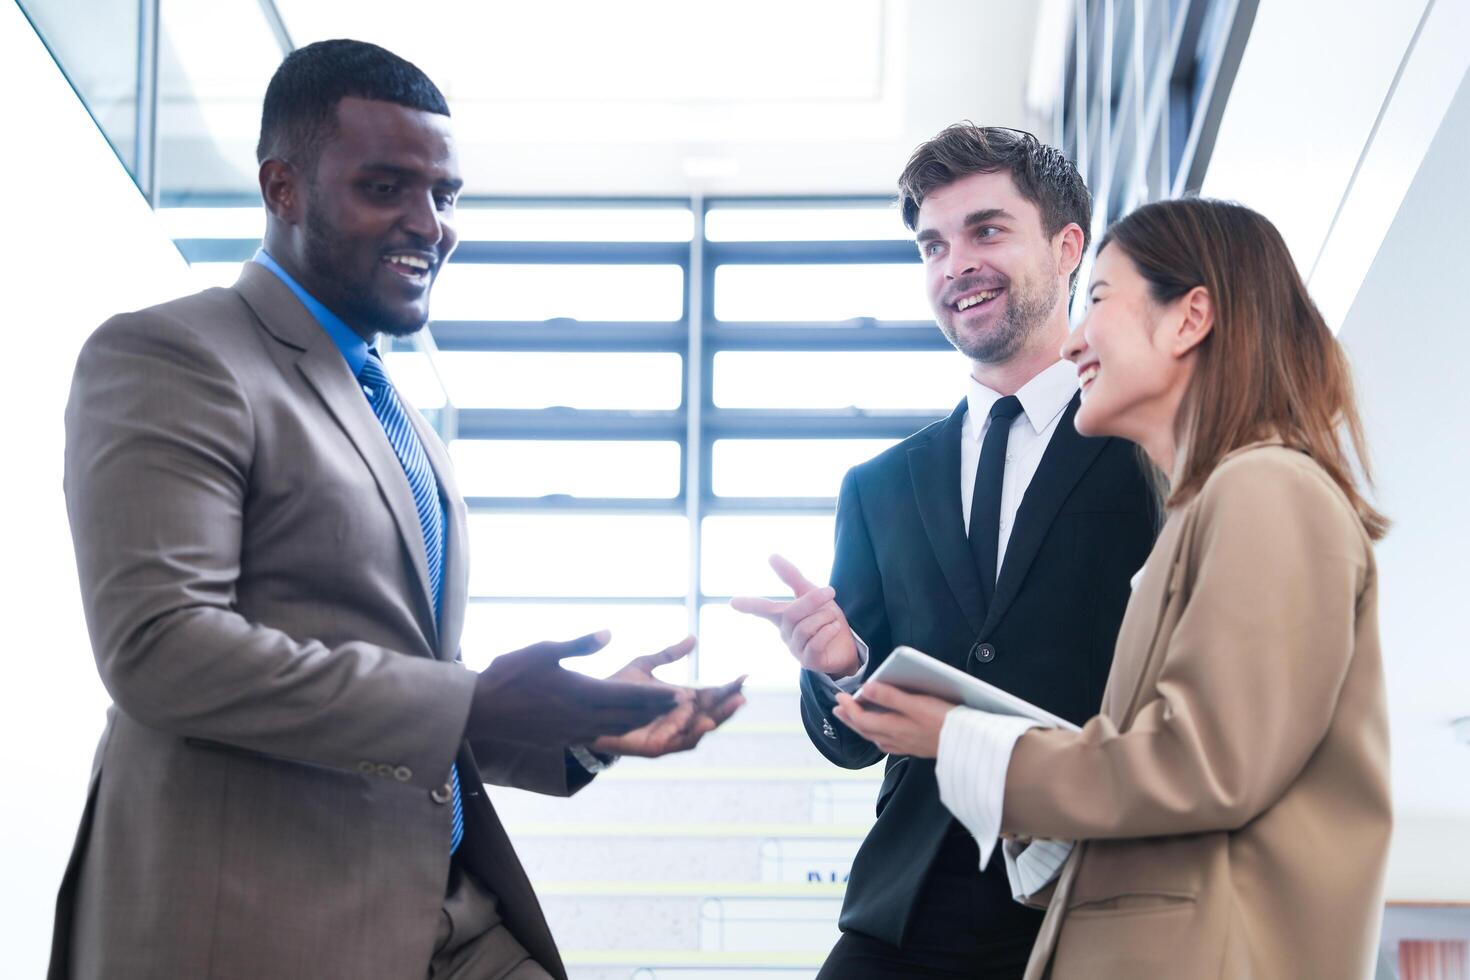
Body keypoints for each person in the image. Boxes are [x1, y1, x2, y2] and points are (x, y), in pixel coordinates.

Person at [51, 39, 743, 980]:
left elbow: (391, 682)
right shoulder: (176, 355)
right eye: (387, 187)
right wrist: (473, 696)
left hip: (440, 909)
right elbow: (160, 650)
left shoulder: (390, 404)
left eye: (445, 195)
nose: (430, 224)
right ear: (283, 189)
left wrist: (576, 723)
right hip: (257, 919)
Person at [836, 197, 1392, 979]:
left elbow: (1203, 767)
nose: (1072, 340)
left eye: (1096, 299)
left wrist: (958, 739)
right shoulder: (1214, 506)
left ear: (1188, 318)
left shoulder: (1267, 489)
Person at [731, 125, 1159, 978]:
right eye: (933, 243)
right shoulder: (880, 485)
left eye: (986, 231)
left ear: (1067, 247)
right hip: (907, 908)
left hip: (1091, 904)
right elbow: (853, 742)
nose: (954, 264)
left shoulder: (1148, 451)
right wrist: (841, 668)